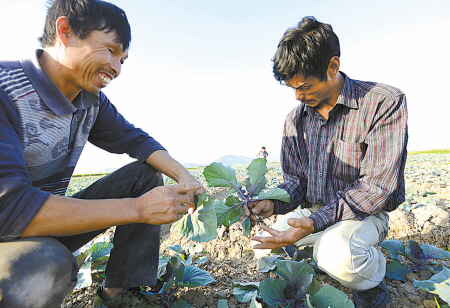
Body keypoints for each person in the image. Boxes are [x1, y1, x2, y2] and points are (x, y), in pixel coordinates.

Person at [0, 1, 205, 307]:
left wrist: (183, 175)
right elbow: (10, 208)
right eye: (110, 50)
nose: (117, 68)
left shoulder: (90, 101)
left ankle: (120, 296)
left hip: (41, 226)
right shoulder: (7, 91)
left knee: (144, 174)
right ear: (64, 31)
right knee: (45, 264)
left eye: (123, 59)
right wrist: (138, 209)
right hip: (8, 231)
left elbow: (135, 140)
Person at [245, 16, 408, 308]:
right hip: (316, 211)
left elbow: (376, 189)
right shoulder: (295, 120)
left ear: (332, 67)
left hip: (364, 214)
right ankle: (319, 250)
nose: (298, 95)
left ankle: (371, 274)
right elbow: (295, 182)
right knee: (264, 244)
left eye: (305, 85)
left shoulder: (383, 103)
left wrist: (314, 223)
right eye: (292, 88)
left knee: (337, 254)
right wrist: (273, 204)